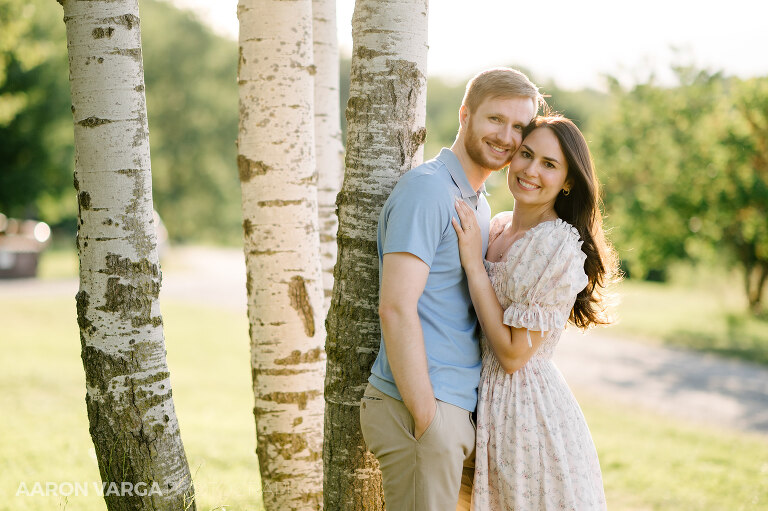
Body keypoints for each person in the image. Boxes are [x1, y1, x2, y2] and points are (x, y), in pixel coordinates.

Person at [359, 68, 543, 511]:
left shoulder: (478, 204)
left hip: (452, 413)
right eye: (495, 119)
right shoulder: (429, 191)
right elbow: (396, 308)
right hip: (422, 411)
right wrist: (428, 418)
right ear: (465, 115)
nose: (506, 136)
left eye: (519, 126)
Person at [452, 115, 620, 510]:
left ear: (569, 181)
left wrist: (474, 268)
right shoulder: (496, 227)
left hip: (523, 416)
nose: (530, 170)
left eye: (549, 164)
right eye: (526, 155)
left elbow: (512, 356)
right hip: (471, 401)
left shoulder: (557, 246)